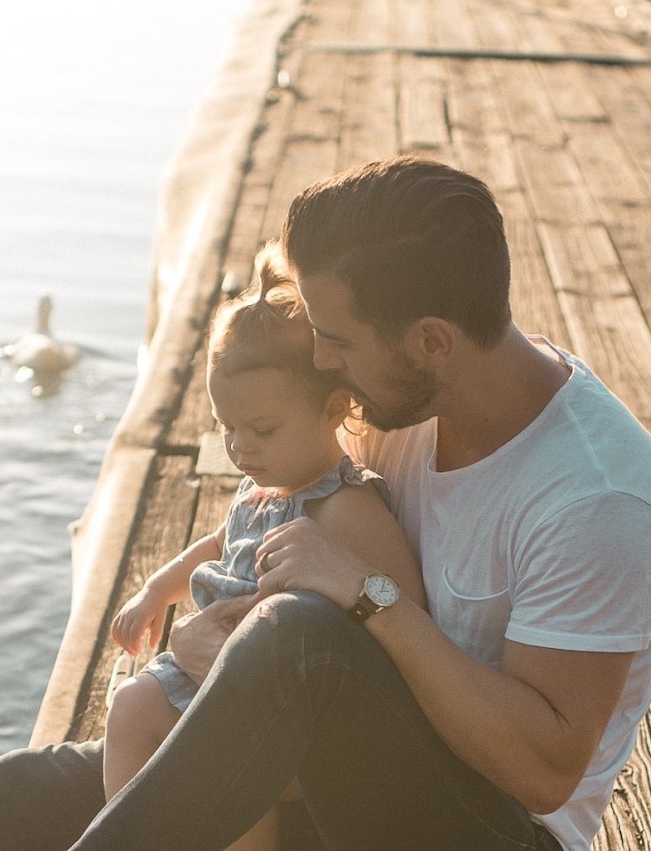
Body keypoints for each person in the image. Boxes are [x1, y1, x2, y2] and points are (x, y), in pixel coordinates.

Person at [0, 156, 651, 851]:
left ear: (432, 341)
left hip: (485, 829)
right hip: (326, 771)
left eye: (336, 339)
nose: (317, 359)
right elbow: (278, 524)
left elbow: (542, 772)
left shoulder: (599, 496)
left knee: (297, 635)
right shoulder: (396, 407)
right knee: (24, 797)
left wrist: (364, 599)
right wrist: (228, 656)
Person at [101, 245, 426, 851]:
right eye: (226, 428)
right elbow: (214, 546)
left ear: (334, 409)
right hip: (221, 671)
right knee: (131, 709)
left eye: (262, 429)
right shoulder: (262, 491)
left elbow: (406, 609)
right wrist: (154, 591)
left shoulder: (346, 506)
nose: (240, 448)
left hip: (287, 698)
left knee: (164, 723)